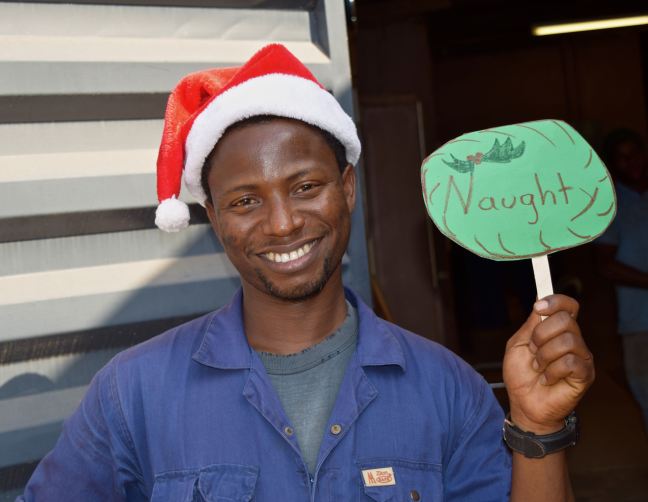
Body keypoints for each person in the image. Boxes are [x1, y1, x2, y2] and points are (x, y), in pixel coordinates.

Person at [19, 44, 594, 501]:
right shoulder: (133, 393)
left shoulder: (447, 389)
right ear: (214, 218)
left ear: (347, 189)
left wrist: (537, 426)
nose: (282, 223)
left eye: (306, 187)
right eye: (245, 201)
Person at [596, 128, 648, 432]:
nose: (632, 162)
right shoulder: (611, 203)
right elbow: (606, 266)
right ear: (613, 164)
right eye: (622, 158)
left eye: (635, 154)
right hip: (638, 322)